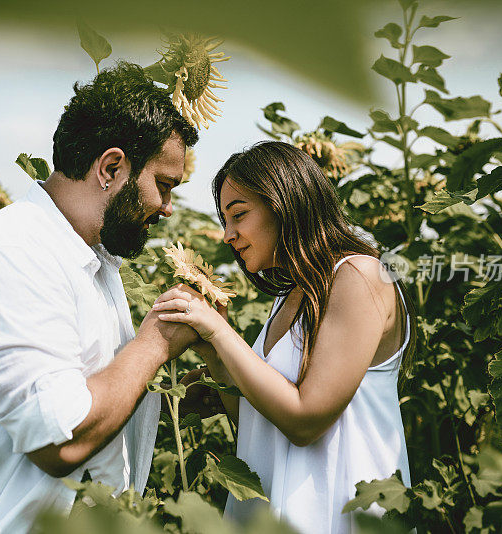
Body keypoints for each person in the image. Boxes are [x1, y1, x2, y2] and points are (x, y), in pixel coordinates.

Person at [0, 62, 200, 533]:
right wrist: (155, 344)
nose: (166, 208)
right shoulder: (12, 252)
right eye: (163, 185)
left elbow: (104, 391)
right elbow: (61, 441)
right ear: (111, 167)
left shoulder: (93, 262)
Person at [152, 141, 417, 534]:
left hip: (343, 515)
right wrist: (215, 355)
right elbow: (260, 423)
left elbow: (306, 421)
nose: (228, 235)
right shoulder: (291, 296)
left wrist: (221, 332)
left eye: (238, 215)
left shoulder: (362, 276)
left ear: (284, 204)